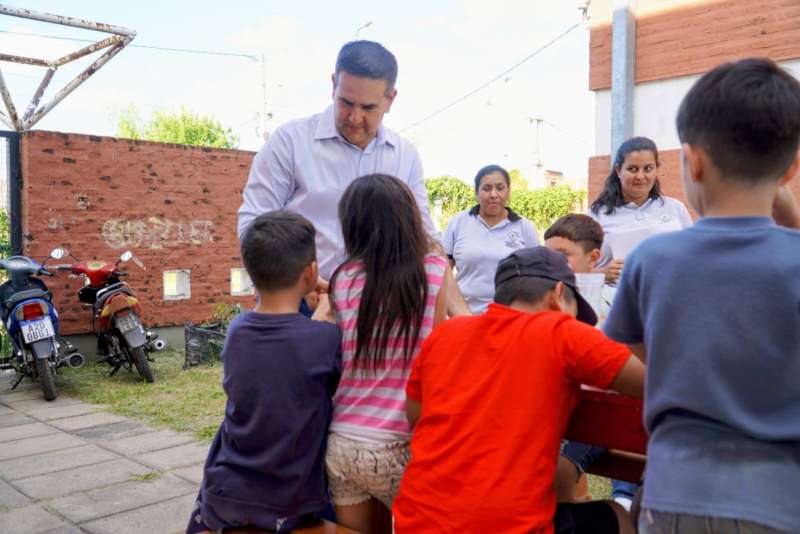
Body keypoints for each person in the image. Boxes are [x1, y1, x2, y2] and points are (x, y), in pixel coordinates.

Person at [605, 58, 800, 533]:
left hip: (675, 496)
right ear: (791, 170)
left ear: (691, 161)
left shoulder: (652, 260)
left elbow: (645, 354)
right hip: (781, 501)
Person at [393, 246, 644, 534]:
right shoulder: (560, 332)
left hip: (415, 522)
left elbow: (415, 414)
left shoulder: (446, 334)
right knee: (616, 515)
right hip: (503, 527)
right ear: (559, 294)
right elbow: (656, 382)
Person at [235, 40, 473, 316]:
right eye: (346, 103)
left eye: (368, 107)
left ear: (390, 99)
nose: (355, 118)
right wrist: (297, 280)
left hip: (379, 314)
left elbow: (425, 240)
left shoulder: (404, 156)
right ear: (333, 85)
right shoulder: (290, 143)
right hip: (301, 304)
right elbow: (254, 225)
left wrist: (464, 318)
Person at [186, 212, 341, 534]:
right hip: (288, 503)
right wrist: (327, 304)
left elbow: (291, 345)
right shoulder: (324, 339)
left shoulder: (236, 330)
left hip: (224, 493)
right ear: (311, 272)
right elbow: (305, 345)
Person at [322, 174, 447, 534]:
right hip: (402, 444)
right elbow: (437, 355)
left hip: (344, 442)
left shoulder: (342, 278)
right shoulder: (434, 272)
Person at [589, 136, 693, 285]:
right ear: (618, 170)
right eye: (633, 169)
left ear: (656, 169)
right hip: (616, 296)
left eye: (648, 169)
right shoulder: (596, 215)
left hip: (669, 294)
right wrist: (602, 274)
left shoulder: (675, 208)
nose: (640, 176)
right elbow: (574, 271)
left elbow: (693, 256)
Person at [443, 164, 539, 313]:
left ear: (508, 191)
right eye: (487, 188)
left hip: (510, 317)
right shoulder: (458, 223)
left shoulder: (524, 227)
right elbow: (443, 272)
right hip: (463, 315)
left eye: (500, 188)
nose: (494, 194)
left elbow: (536, 277)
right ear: (477, 192)